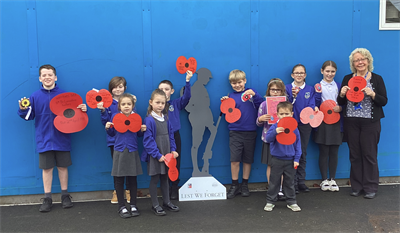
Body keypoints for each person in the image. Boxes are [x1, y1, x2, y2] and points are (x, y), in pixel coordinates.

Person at [17, 64, 87, 212]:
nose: (47, 77)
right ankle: (47, 198)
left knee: (62, 167)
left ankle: (65, 195)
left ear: (55, 77)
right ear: (39, 78)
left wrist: (82, 109)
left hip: (62, 138)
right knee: (47, 168)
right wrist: (22, 109)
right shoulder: (35, 96)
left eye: (50, 75)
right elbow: (29, 116)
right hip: (43, 139)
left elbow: (75, 114)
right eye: (44, 75)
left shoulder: (66, 96)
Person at [337, 48, 388, 199]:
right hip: (351, 122)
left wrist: (372, 94)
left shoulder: (376, 79)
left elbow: (384, 101)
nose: (360, 62)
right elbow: (341, 102)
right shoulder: (348, 78)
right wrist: (341, 94)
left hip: (370, 123)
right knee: (355, 154)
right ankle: (356, 186)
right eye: (356, 60)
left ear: (368, 61)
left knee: (369, 154)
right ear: (353, 64)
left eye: (362, 59)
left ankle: (371, 186)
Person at [221, 69, 264, 199]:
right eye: (234, 83)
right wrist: (225, 103)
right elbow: (226, 114)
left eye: (239, 82)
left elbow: (261, 105)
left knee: (247, 160)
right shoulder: (230, 96)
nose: (237, 85)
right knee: (234, 159)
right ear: (230, 84)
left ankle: (245, 184)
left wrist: (255, 95)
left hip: (251, 131)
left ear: (244, 81)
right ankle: (234, 185)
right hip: (235, 132)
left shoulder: (251, 93)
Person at [105, 94, 145, 218]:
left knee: (132, 178)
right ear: (119, 106)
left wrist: (141, 130)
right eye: (123, 104)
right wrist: (108, 128)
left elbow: (138, 134)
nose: (126, 106)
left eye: (129, 104)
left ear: (133, 106)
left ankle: (133, 204)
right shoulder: (115, 117)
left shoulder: (136, 118)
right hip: (119, 150)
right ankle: (121, 206)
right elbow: (112, 133)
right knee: (119, 179)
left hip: (132, 150)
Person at [141, 89, 180, 216]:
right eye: (157, 102)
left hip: (167, 154)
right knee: (155, 178)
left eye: (162, 103)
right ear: (151, 102)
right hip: (156, 155)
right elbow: (148, 141)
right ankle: (155, 205)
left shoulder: (166, 118)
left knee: (165, 178)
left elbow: (171, 136)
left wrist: (173, 150)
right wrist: (157, 155)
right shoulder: (149, 120)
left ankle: (167, 202)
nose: (160, 105)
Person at [97, 76, 136, 204]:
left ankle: (129, 191)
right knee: (117, 168)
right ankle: (117, 192)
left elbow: (133, 121)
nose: (118, 89)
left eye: (120, 86)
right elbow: (105, 122)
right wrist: (103, 110)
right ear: (111, 89)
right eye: (115, 87)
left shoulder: (129, 101)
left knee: (130, 167)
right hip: (114, 141)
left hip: (129, 141)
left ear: (125, 88)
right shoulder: (107, 103)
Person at [158, 70, 193, 200]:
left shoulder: (176, 104)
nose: (163, 91)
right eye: (160, 89)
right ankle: (165, 187)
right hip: (161, 138)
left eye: (166, 89)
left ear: (171, 91)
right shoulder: (156, 106)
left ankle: (174, 187)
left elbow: (186, 98)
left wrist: (188, 81)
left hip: (174, 137)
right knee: (163, 162)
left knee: (175, 162)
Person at [264, 101, 301, 212]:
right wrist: (275, 132)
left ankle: (291, 202)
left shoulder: (294, 128)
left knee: (290, 182)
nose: (284, 116)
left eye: (287, 114)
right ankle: (270, 201)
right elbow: (268, 139)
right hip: (276, 159)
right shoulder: (275, 126)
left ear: (292, 114)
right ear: (277, 115)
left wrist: (296, 159)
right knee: (274, 182)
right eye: (281, 114)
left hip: (290, 160)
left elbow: (298, 145)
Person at [285, 64, 317, 193]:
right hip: (290, 125)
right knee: (290, 153)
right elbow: (284, 105)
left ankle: (301, 181)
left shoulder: (310, 89)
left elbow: (311, 105)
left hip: (304, 126)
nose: (299, 75)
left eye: (301, 73)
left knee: (302, 152)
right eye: (296, 73)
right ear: (292, 75)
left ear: (305, 75)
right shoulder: (287, 88)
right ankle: (291, 182)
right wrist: (292, 96)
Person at [314, 61, 343, 192]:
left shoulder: (339, 86)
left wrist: (340, 107)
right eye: (327, 71)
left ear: (335, 72)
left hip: (336, 122)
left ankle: (333, 179)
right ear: (322, 71)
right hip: (322, 122)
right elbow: (314, 102)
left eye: (332, 71)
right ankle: (324, 180)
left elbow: (345, 103)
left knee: (334, 152)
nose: (329, 74)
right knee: (324, 151)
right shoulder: (317, 86)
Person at [256, 78, 287, 199]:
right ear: (269, 90)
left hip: (283, 139)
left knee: (282, 165)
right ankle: (272, 188)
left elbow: (290, 121)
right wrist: (261, 119)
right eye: (273, 90)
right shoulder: (264, 105)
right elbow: (257, 123)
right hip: (269, 139)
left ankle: (280, 189)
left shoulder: (285, 105)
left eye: (278, 90)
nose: (275, 92)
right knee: (270, 164)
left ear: (282, 91)